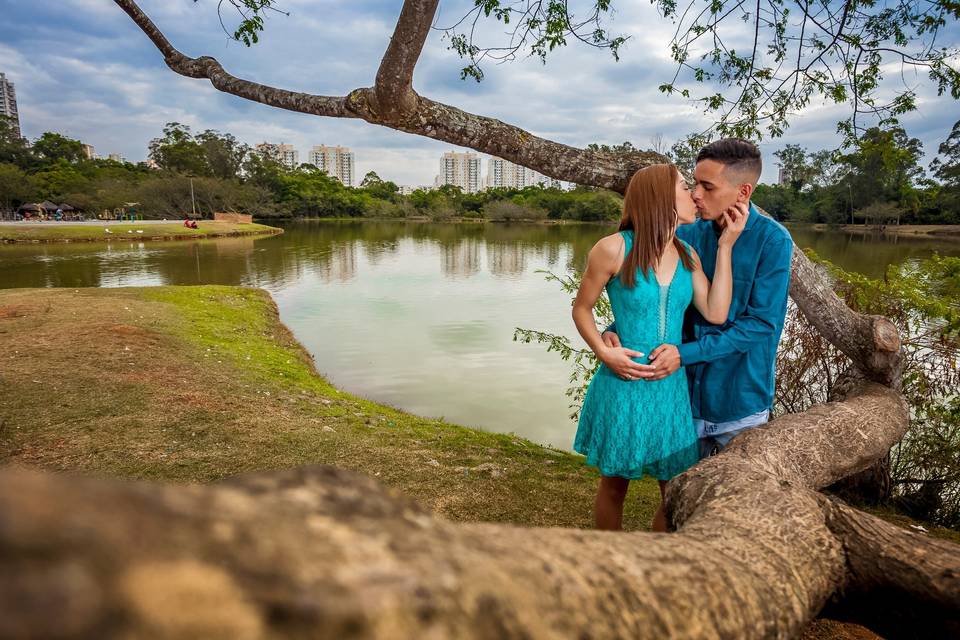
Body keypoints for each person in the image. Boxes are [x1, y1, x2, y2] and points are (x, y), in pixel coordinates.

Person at [571, 163, 747, 532]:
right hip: (624, 382)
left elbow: (716, 313)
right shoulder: (613, 249)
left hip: (670, 387)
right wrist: (604, 351)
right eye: (685, 188)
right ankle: (610, 561)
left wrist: (726, 245)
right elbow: (581, 308)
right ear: (661, 199)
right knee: (615, 486)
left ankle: (658, 557)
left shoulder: (687, 255)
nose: (693, 196)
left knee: (673, 490)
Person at [603, 138, 794, 461]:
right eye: (694, 184)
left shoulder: (773, 242)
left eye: (708, 187)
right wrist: (618, 327)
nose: (695, 194)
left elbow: (760, 325)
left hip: (737, 401)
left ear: (743, 193)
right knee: (678, 495)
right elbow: (663, 294)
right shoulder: (686, 235)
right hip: (682, 395)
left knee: (734, 501)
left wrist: (684, 353)